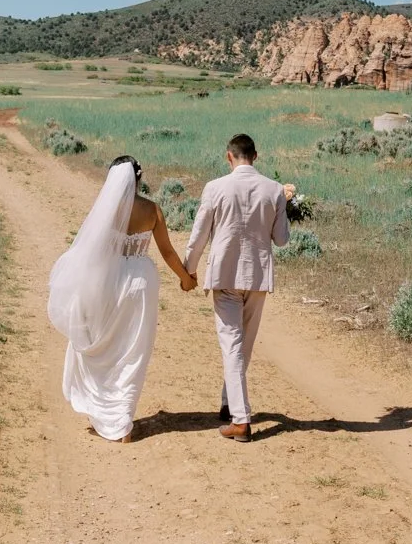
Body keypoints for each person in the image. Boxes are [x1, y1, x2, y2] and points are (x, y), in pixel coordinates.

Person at [46, 155, 195, 442]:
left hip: (109, 281)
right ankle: (123, 420)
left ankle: (105, 412)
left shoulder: (105, 211)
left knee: (108, 345)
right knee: (133, 352)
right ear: (138, 178)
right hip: (141, 282)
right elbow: (166, 252)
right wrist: (185, 277)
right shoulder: (152, 210)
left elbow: (90, 252)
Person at [183, 133, 291, 442]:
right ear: (255, 156)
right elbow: (281, 240)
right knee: (243, 345)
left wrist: (188, 271)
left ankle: (241, 420)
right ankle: (230, 402)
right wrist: (285, 204)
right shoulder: (274, 190)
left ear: (229, 157)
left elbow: (200, 233)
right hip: (257, 278)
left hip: (225, 275)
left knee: (231, 343)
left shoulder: (215, 188)